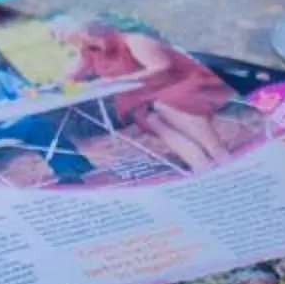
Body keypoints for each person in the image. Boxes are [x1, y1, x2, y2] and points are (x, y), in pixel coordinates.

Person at [50, 17, 236, 170]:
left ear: (88, 34)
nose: (75, 44)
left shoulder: (134, 41)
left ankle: (219, 153)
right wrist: (55, 85)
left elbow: (161, 67)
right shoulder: (89, 51)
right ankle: (200, 163)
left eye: (74, 39)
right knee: (151, 118)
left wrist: (116, 81)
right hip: (141, 94)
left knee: (167, 105)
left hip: (176, 81)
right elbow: (71, 74)